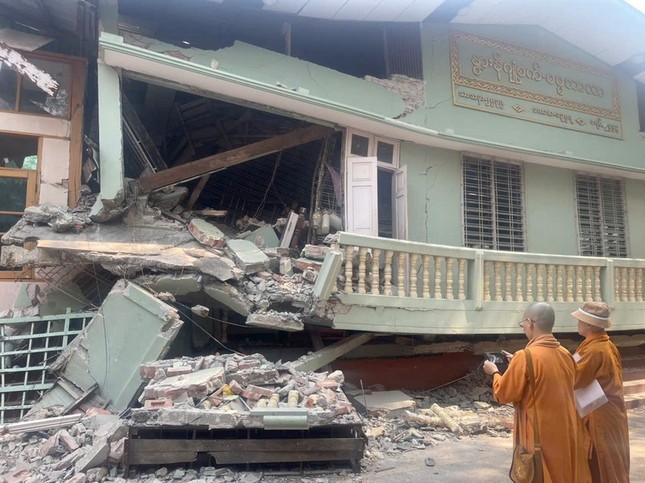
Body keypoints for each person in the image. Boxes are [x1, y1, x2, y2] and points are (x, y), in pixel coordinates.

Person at [483, 302, 590, 483]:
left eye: (523, 323)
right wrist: (516, 363)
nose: (523, 327)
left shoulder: (525, 357)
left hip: (538, 436)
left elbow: (503, 394)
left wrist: (494, 372)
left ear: (531, 323)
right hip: (565, 433)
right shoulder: (565, 354)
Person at [572, 302, 630, 483]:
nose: (578, 324)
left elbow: (574, 378)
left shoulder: (595, 350)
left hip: (601, 414)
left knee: (603, 463)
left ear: (589, 325)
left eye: (580, 320)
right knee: (611, 461)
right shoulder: (605, 345)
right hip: (610, 412)